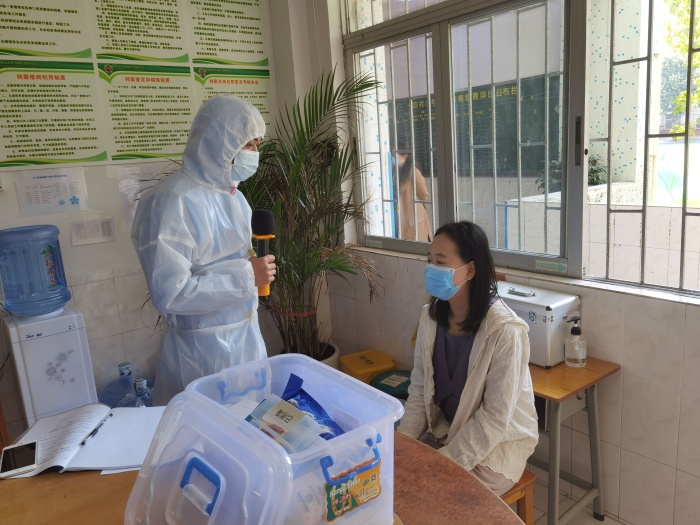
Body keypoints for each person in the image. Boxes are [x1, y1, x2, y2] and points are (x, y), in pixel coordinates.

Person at [131, 94, 276, 406]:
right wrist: (246, 276)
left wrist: (250, 267)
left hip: (245, 341)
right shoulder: (173, 200)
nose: (254, 154)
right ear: (219, 143)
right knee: (205, 428)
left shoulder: (234, 196)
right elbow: (170, 293)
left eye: (257, 145)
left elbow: (229, 261)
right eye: (248, 144)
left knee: (248, 424)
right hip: (201, 354)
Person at [397, 221, 538, 496]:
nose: (431, 269)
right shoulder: (430, 317)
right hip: (447, 431)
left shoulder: (505, 330)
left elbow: (494, 421)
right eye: (429, 261)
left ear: (470, 270)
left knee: (426, 494)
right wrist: (403, 444)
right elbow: (419, 388)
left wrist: (442, 464)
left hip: (495, 449)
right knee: (395, 473)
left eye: (440, 262)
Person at [395, 147, 431, 242]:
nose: (393, 158)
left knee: (416, 245)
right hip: (401, 216)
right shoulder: (396, 172)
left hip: (413, 217)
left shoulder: (413, 172)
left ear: (404, 156)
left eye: (395, 155)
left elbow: (424, 193)